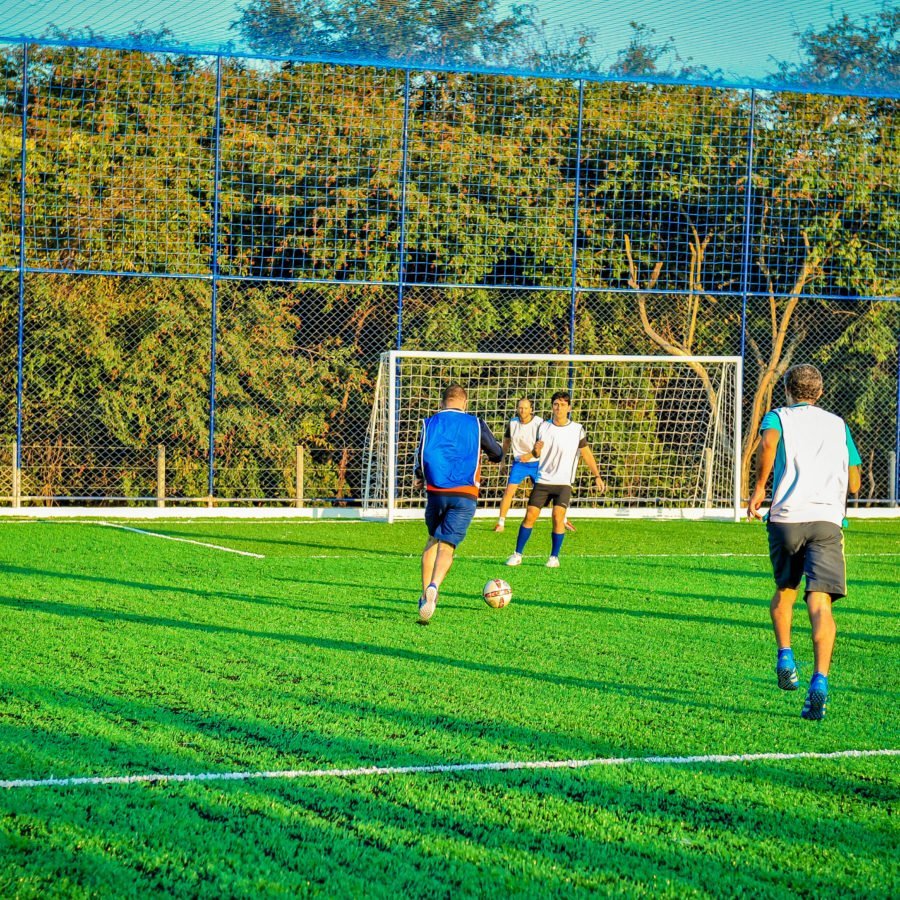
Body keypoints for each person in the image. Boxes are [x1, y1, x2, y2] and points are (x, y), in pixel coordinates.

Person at [748, 364, 861, 721]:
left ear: (787, 390)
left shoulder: (778, 417)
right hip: (827, 521)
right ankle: (820, 681)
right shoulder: (838, 425)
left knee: (785, 591)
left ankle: (785, 655)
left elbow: (768, 443)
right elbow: (855, 483)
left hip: (785, 518)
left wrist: (760, 487)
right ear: (820, 392)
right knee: (820, 603)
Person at [414, 383, 504, 623]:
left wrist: (419, 476)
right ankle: (435, 584)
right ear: (465, 403)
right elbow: (496, 453)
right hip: (465, 493)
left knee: (433, 539)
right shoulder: (475, 423)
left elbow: (421, 452)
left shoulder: (429, 422)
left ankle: (425, 596)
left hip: (436, 491)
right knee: (448, 546)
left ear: (442, 402)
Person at [505, 390, 604, 569]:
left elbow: (587, 454)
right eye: (556, 404)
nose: (559, 408)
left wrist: (597, 475)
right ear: (552, 407)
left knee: (558, 516)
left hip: (564, 483)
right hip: (543, 480)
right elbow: (537, 453)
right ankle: (517, 554)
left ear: (569, 407)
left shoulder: (577, 429)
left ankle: (553, 557)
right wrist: (535, 451)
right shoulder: (543, 427)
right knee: (530, 515)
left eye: (563, 405)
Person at [495, 398, 576, 534]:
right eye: (520, 408)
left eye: (526, 408)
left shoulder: (540, 423)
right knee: (509, 491)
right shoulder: (513, 423)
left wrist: (534, 455)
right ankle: (500, 522)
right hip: (519, 463)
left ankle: (564, 519)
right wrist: (502, 460)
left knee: (550, 492)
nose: (523, 411)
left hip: (538, 463)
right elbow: (507, 442)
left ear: (531, 409)